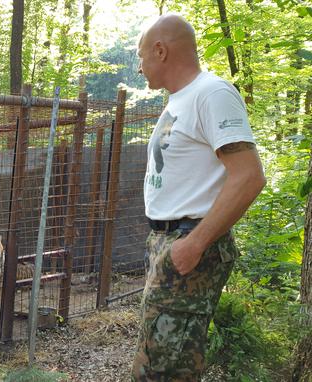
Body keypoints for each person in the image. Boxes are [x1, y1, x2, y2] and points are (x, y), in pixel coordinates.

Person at [131, 14, 266, 381]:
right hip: (169, 241)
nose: (140, 67)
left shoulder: (212, 94)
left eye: (141, 56)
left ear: (160, 51)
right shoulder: (181, 99)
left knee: (161, 371)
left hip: (189, 242)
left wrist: (195, 243)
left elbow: (249, 176)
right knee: (162, 362)